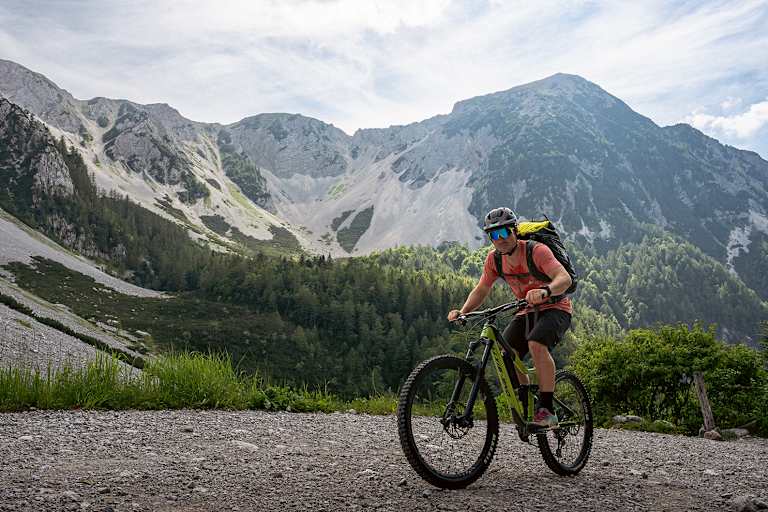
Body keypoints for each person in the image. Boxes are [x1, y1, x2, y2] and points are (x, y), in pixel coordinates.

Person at [447, 207, 572, 428]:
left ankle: (547, 410)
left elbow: (564, 279)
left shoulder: (537, 251)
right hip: (525, 310)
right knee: (507, 355)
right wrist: (463, 311)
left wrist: (546, 291)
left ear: (515, 230)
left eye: (505, 232)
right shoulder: (494, 260)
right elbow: (482, 288)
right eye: (494, 235)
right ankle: (526, 402)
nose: (500, 239)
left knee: (536, 344)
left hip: (556, 307)